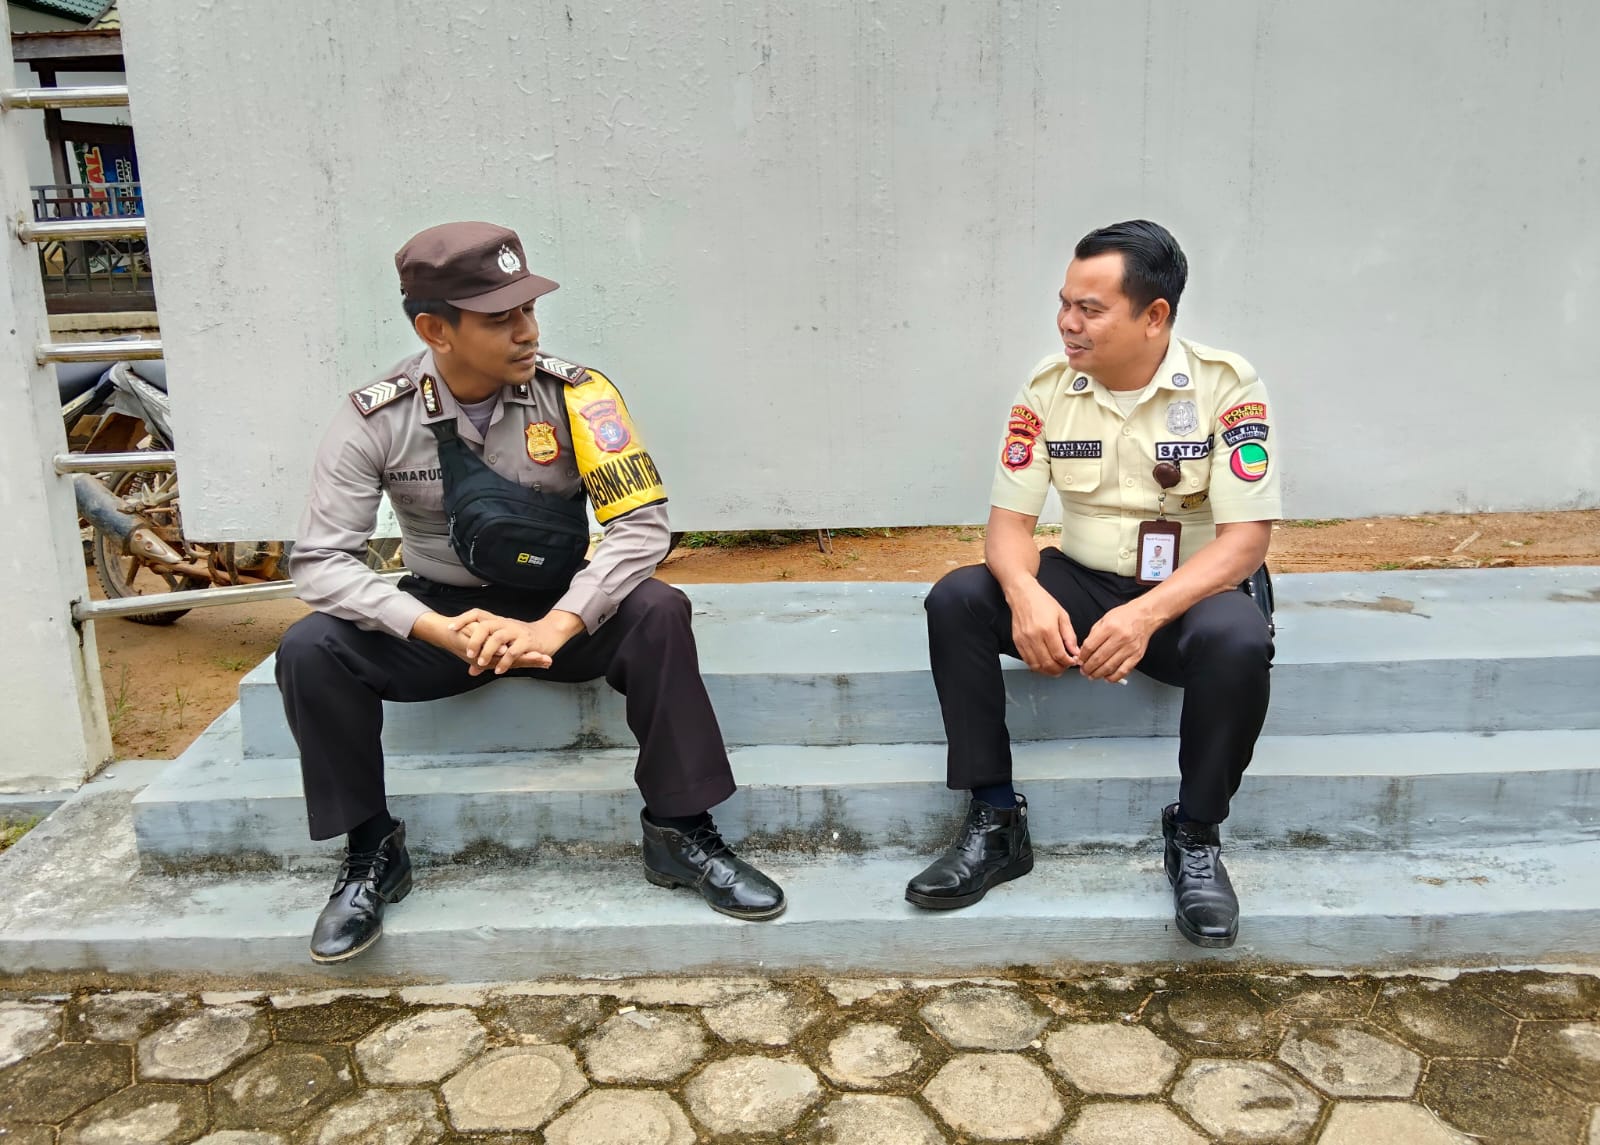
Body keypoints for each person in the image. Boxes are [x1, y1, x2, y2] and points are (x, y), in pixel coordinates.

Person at [277, 221, 785, 963]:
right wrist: (431, 628)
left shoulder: (578, 395)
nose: (525, 330)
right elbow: (322, 561)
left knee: (660, 611)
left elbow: (643, 527)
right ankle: (369, 852)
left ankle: (682, 830)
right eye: (499, 316)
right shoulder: (376, 417)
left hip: (564, 611)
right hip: (445, 617)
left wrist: (559, 621)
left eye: (528, 309)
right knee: (311, 647)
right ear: (434, 329)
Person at [905, 220, 1280, 948]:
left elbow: (1246, 542)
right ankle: (994, 820)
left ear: (1155, 315)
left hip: (1185, 594)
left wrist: (1145, 616)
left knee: (1239, 638)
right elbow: (1008, 525)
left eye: (1090, 308)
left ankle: (1196, 836)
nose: (1067, 324)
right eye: (1064, 303)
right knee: (957, 598)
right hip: (1081, 577)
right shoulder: (1050, 388)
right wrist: (1025, 592)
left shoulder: (1224, 386)